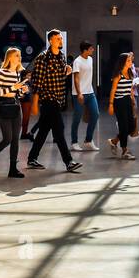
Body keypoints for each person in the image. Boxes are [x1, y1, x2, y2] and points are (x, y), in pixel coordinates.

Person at [26, 31, 82, 173]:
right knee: (59, 130)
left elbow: (58, 75)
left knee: (43, 131)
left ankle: (32, 158)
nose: (60, 40)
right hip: (48, 99)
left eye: (61, 38)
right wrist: (35, 103)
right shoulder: (43, 58)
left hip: (58, 99)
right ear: (51, 40)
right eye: (58, 38)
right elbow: (38, 81)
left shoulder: (61, 56)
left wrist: (66, 71)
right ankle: (68, 161)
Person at [0, 48, 30, 178]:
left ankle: (12, 169)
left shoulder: (17, 73)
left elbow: (18, 95)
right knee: (8, 139)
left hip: (16, 106)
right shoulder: (2, 72)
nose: (19, 58)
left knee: (16, 139)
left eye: (19, 55)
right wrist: (13, 87)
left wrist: (23, 90)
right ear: (9, 57)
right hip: (4, 106)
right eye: (17, 55)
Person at [108, 53, 139, 160]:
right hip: (118, 101)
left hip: (127, 101)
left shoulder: (130, 73)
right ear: (123, 62)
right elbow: (113, 90)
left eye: (131, 60)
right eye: (128, 61)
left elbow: (130, 88)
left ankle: (114, 141)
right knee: (123, 127)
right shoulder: (118, 74)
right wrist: (111, 104)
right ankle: (125, 150)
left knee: (131, 127)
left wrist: (133, 99)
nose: (131, 62)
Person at [70, 41, 99, 151]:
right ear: (85, 50)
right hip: (79, 94)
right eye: (91, 48)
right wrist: (79, 93)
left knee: (95, 114)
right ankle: (74, 142)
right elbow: (76, 79)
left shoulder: (90, 59)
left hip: (90, 92)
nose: (93, 50)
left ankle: (88, 140)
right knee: (77, 118)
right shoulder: (77, 61)